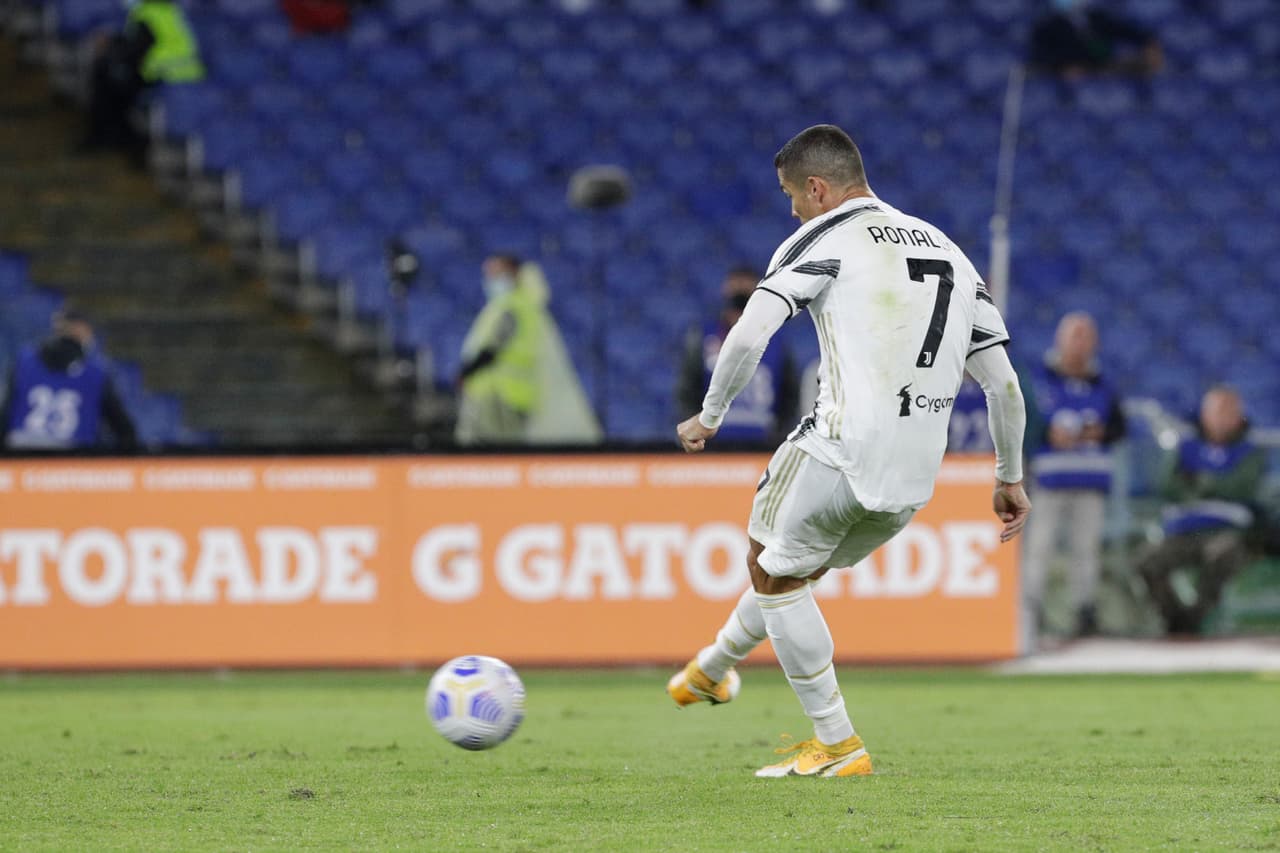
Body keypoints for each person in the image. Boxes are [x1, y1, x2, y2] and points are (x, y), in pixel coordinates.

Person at [670, 125, 1031, 778]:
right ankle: (713, 669)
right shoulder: (950, 250)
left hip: (842, 445)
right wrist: (1009, 475)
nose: (791, 210)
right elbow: (1003, 383)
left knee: (771, 564)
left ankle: (837, 743)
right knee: (791, 572)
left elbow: (749, 335)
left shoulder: (824, 234)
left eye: (791, 195)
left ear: (817, 187)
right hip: (916, 475)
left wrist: (710, 414)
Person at [1022, 312, 1125, 639]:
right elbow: (1022, 420)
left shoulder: (1104, 383)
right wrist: (1046, 435)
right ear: (1060, 339)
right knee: (1040, 547)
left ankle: (1085, 611)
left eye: (1086, 336)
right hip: (1049, 479)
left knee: (1086, 549)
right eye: (1074, 336)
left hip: (1090, 479)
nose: (1080, 344)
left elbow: (1120, 428)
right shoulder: (1039, 380)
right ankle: (1028, 612)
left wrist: (1102, 433)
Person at [1137, 387, 1266, 635]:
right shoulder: (1185, 447)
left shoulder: (1251, 451)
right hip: (1184, 531)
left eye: (1226, 412)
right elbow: (1167, 485)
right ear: (1204, 414)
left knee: (1224, 554)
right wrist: (1214, 483)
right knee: (1146, 560)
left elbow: (1240, 487)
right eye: (1215, 411)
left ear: (1238, 416)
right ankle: (1175, 620)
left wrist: (1199, 481)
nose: (1220, 418)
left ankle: (1195, 619)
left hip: (1226, 531)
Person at [676, 266, 798, 445]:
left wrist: (779, 435)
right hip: (714, 443)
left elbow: (790, 394)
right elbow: (687, 389)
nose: (741, 289)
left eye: (746, 284)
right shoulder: (703, 337)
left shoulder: (777, 340)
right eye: (736, 284)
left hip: (762, 443)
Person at [1, 310, 137, 450]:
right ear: (84, 331)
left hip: (20, 455)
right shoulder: (95, 372)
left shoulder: (24, 361)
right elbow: (123, 428)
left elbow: (5, 414)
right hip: (71, 459)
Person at [84, 0, 205, 152]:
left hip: (167, 77)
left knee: (107, 76)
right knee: (112, 76)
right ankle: (118, 135)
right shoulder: (168, 10)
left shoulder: (149, 15)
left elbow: (134, 50)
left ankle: (113, 137)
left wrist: (111, 49)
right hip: (185, 76)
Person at [1028, 0, 1163, 79]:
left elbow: (1126, 31)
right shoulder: (1047, 26)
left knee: (1141, 64)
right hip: (1069, 74)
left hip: (1103, 67)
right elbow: (1040, 53)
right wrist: (1060, 67)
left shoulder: (1098, 18)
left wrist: (1148, 43)